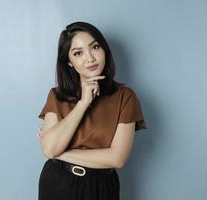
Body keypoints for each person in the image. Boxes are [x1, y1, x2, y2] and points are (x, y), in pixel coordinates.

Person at [37, 21, 147, 200]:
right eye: (78, 53)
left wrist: (61, 153)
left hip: (101, 187)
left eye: (95, 47)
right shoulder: (57, 96)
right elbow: (50, 149)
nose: (90, 58)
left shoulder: (125, 97)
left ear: (104, 50)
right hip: (57, 183)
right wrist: (83, 103)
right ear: (69, 62)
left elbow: (117, 158)